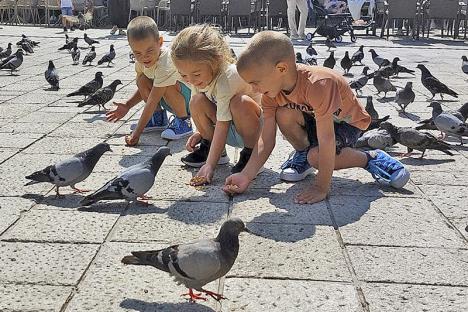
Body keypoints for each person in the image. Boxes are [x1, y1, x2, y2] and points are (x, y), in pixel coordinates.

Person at [223, 31, 410, 204]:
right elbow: (266, 139)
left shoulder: (318, 84)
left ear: (281, 69)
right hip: (315, 117)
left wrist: (321, 187)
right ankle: (305, 154)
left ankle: (369, 158)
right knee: (284, 113)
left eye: (255, 83)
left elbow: (326, 138)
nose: (254, 90)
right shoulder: (271, 93)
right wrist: (246, 175)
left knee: (317, 156)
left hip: (347, 123)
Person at [171, 25, 262, 184]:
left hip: (253, 130)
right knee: (197, 101)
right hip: (229, 125)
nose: (190, 80)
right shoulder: (195, 78)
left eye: (196, 74)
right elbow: (203, 108)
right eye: (183, 75)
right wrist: (201, 133)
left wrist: (209, 166)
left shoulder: (227, 78)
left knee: (239, 103)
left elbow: (223, 123)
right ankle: (214, 150)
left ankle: (252, 154)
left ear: (216, 61)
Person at [106, 16, 192, 145]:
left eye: (149, 50)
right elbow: (143, 90)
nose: (144, 57)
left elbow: (152, 100)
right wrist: (128, 104)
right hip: (167, 98)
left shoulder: (165, 63)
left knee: (167, 85)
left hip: (187, 100)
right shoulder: (141, 62)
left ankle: (184, 121)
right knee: (142, 80)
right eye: (137, 53)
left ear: (160, 42)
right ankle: (157, 118)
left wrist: (137, 133)